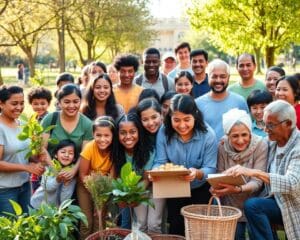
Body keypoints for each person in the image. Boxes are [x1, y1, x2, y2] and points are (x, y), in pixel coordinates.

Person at [226, 100, 300, 240]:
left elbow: (291, 183)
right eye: (264, 124)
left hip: (293, 205)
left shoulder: (298, 147)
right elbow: (252, 143)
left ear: (288, 124)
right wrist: (227, 141)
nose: (265, 129)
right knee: (254, 205)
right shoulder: (272, 141)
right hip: (275, 200)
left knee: (253, 205)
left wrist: (253, 172)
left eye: (270, 125)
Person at [154, 94, 218, 235]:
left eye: (187, 120)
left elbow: (211, 168)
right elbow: (160, 161)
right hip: (174, 186)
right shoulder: (164, 132)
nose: (182, 125)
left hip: (200, 187)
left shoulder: (208, 135)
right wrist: (156, 173)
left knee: (198, 229)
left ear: (195, 116)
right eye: (176, 120)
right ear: (170, 117)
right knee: (176, 226)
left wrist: (198, 173)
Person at [211, 108, 268, 240]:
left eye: (244, 135)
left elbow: (258, 181)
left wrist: (238, 189)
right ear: (227, 135)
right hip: (230, 204)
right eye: (235, 136)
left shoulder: (261, 145)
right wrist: (216, 187)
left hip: (255, 202)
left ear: (250, 132)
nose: (241, 140)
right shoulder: (222, 146)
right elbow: (220, 173)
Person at [0, 85, 45, 215]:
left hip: (24, 185)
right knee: (10, 231)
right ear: (1, 104)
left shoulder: (23, 124)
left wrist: (37, 159)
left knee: (27, 227)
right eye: (14, 104)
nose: (19, 107)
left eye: (21, 103)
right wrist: (27, 168)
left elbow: (25, 153)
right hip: (5, 190)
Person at [114, 111, 156, 232]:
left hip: (144, 189)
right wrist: (123, 197)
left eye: (133, 132)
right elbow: (115, 177)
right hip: (125, 192)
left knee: (147, 223)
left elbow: (146, 179)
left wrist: (133, 196)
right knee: (125, 222)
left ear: (139, 132)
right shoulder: (116, 151)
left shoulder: (148, 151)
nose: (128, 137)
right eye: (123, 133)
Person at [42, 84, 93, 184]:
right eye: (66, 102)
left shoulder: (87, 124)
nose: (71, 106)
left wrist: (73, 170)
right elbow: (42, 148)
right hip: (49, 173)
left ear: (81, 101)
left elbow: (85, 154)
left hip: (73, 175)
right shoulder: (50, 119)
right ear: (59, 103)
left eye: (76, 101)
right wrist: (55, 170)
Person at [78, 116, 118, 239]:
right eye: (98, 135)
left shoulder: (115, 150)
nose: (102, 139)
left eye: (107, 136)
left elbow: (111, 178)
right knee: (87, 222)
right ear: (93, 134)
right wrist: (94, 194)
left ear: (113, 136)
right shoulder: (89, 148)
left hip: (104, 188)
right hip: (86, 185)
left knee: (99, 220)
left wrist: (100, 199)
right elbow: (82, 175)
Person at [195, 59, 249, 141]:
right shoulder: (197, 104)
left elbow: (247, 130)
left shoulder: (239, 101)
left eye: (222, 76)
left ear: (228, 77)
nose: (218, 80)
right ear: (208, 77)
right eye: (214, 76)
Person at [30, 139, 77, 209]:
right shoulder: (49, 168)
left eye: (70, 153)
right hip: (38, 205)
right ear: (56, 155)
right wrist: (57, 180)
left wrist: (66, 184)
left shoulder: (71, 174)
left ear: (74, 159)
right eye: (63, 152)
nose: (66, 155)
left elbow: (64, 200)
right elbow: (47, 187)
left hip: (54, 210)